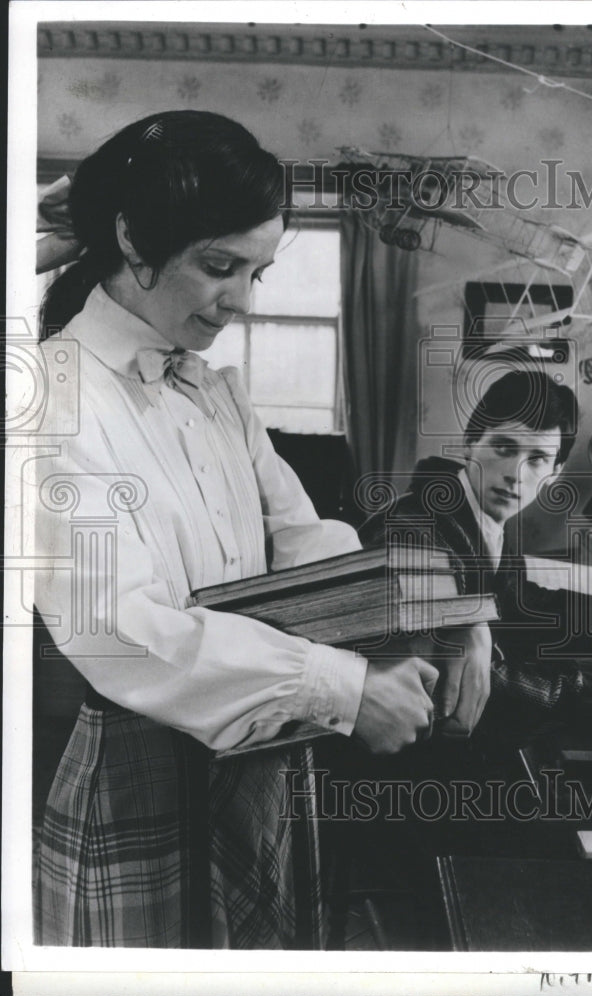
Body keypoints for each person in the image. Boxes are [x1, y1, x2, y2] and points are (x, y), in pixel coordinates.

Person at [32, 111, 488, 949]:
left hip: (259, 754)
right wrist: (342, 689)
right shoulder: (46, 397)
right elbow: (118, 630)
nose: (240, 302)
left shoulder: (217, 393)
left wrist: (451, 612)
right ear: (132, 240)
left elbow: (306, 541)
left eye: (258, 273)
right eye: (218, 267)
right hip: (144, 771)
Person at [360, 369, 592, 749]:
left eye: (537, 459)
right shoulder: (416, 532)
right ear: (468, 444)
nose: (515, 474)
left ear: (554, 473)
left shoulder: (478, 514)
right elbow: (480, 687)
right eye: (503, 448)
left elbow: (527, 609)